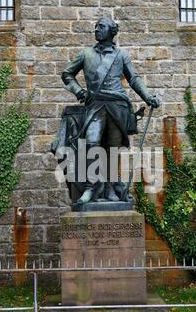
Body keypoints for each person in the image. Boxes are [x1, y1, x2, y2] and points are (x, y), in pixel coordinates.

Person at [61, 16, 160, 205]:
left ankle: (111, 188)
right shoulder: (86, 54)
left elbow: (134, 79)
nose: (97, 29)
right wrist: (79, 91)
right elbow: (67, 74)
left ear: (112, 31)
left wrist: (148, 97)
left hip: (117, 105)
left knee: (112, 150)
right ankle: (91, 188)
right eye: (96, 26)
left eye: (101, 27)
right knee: (91, 143)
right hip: (96, 105)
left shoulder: (122, 55)